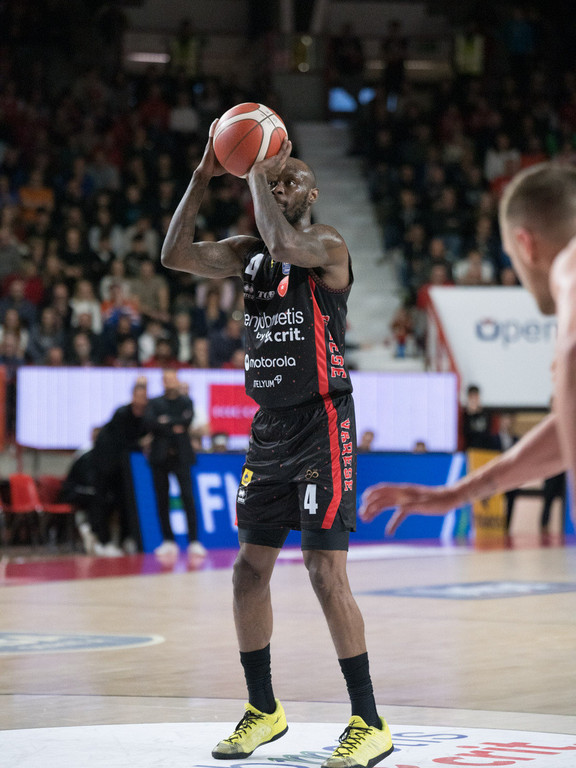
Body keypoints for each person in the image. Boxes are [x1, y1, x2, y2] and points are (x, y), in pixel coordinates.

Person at [161, 123, 393, 766]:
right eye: (275, 178)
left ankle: (369, 720)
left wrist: (258, 170)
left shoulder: (325, 244)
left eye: (292, 179)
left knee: (324, 571)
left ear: (310, 193)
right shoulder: (247, 254)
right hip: (269, 429)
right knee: (247, 570)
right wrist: (202, 177)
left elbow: (286, 242)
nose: (281, 185)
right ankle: (263, 709)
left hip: (323, 423)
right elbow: (174, 255)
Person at [360, 162, 576, 538]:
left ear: (525, 245)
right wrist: (458, 493)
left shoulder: (568, 269)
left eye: (510, 255)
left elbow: (571, 355)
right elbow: (567, 431)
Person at [144, 369, 205, 559]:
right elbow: (151, 423)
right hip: (160, 457)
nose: (170, 382)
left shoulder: (186, 401)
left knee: (188, 497)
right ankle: (168, 540)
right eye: (167, 379)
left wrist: (166, 423)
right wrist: (173, 426)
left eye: (173, 379)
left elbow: (186, 421)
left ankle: (193, 540)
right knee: (162, 498)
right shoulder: (155, 403)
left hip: (182, 456)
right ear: (163, 382)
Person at [87, 379, 150, 556]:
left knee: (124, 502)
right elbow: (122, 442)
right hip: (106, 463)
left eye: (144, 397)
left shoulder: (146, 417)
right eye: (138, 396)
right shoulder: (121, 414)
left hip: (123, 467)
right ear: (133, 397)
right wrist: (140, 443)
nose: (141, 400)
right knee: (103, 502)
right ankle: (103, 541)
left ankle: (125, 539)